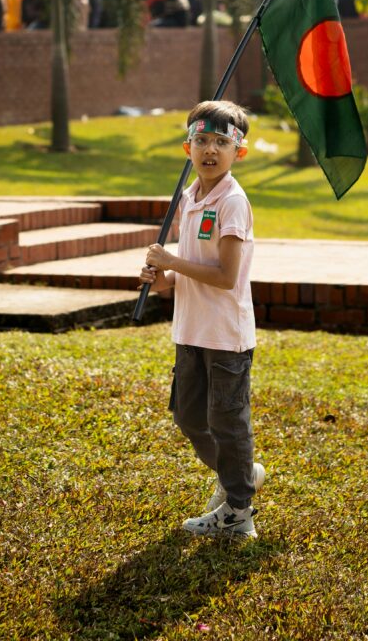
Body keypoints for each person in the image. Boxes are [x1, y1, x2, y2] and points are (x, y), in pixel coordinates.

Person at [139, 100, 265, 539]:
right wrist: (162, 279)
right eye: (201, 140)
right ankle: (241, 472)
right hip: (190, 329)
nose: (210, 150)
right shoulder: (190, 198)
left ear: (238, 152)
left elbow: (227, 277)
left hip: (225, 335)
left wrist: (173, 260)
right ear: (187, 147)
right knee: (190, 418)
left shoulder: (232, 202)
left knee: (228, 423)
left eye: (221, 142)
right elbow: (191, 268)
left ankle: (238, 511)